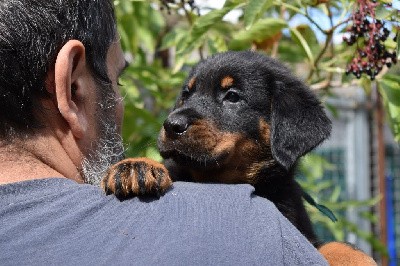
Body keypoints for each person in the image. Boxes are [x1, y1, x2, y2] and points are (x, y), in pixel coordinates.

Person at [0, 1, 328, 265]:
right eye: (187, 95)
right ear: (72, 88)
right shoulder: (258, 233)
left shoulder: (278, 217)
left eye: (231, 96)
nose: (176, 118)